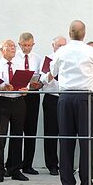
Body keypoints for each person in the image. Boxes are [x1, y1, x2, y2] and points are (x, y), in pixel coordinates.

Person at [50, 20, 93, 185]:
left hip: (64, 97)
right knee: (86, 140)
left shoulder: (61, 51)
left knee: (65, 140)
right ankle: (86, 180)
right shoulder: (91, 51)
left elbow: (53, 72)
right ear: (84, 34)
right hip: (84, 97)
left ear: (69, 33)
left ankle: (67, 181)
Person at [0, 40, 29, 183]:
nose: (13, 49)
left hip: (18, 102)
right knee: (0, 137)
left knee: (17, 137)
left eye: (14, 47)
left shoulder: (20, 66)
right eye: (9, 47)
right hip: (1, 103)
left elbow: (26, 86)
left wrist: (24, 90)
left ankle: (15, 169)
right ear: (2, 49)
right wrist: (2, 88)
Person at [12, 32, 43, 175]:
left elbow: (41, 77)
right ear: (19, 44)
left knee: (31, 130)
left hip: (32, 96)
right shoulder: (13, 58)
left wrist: (38, 84)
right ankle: (13, 164)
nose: (27, 48)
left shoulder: (38, 59)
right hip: (18, 96)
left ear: (33, 44)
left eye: (29, 45)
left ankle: (28, 164)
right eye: (24, 45)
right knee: (17, 131)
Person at [40, 36, 67, 175]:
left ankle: (65, 164)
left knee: (66, 133)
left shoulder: (69, 59)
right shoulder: (48, 59)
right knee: (50, 132)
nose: (61, 48)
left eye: (64, 45)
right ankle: (52, 165)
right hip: (51, 97)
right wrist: (52, 73)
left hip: (65, 97)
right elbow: (42, 79)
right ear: (53, 46)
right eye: (58, 45)